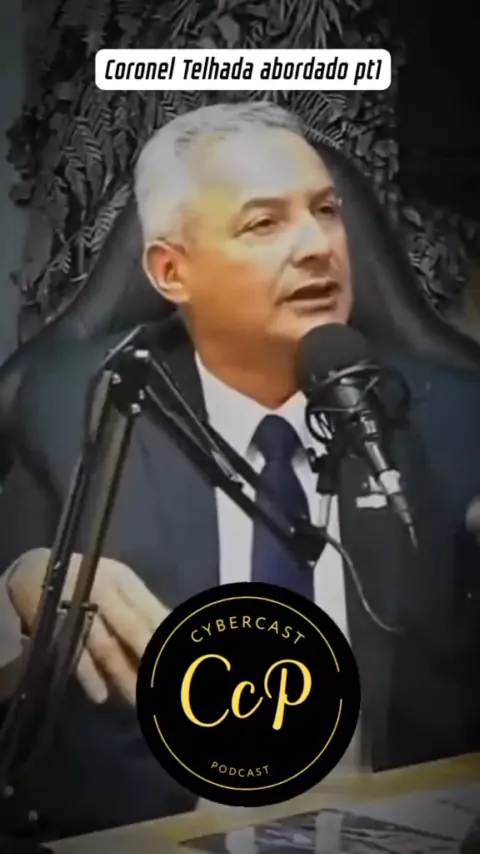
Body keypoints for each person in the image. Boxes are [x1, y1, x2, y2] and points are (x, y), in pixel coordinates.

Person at [0, 101, 480, 839]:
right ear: (171, 271)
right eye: (264, 223)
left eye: (326, 211)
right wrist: (23, 587)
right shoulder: (83, 408)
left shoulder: (451, 417)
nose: (318, 246)